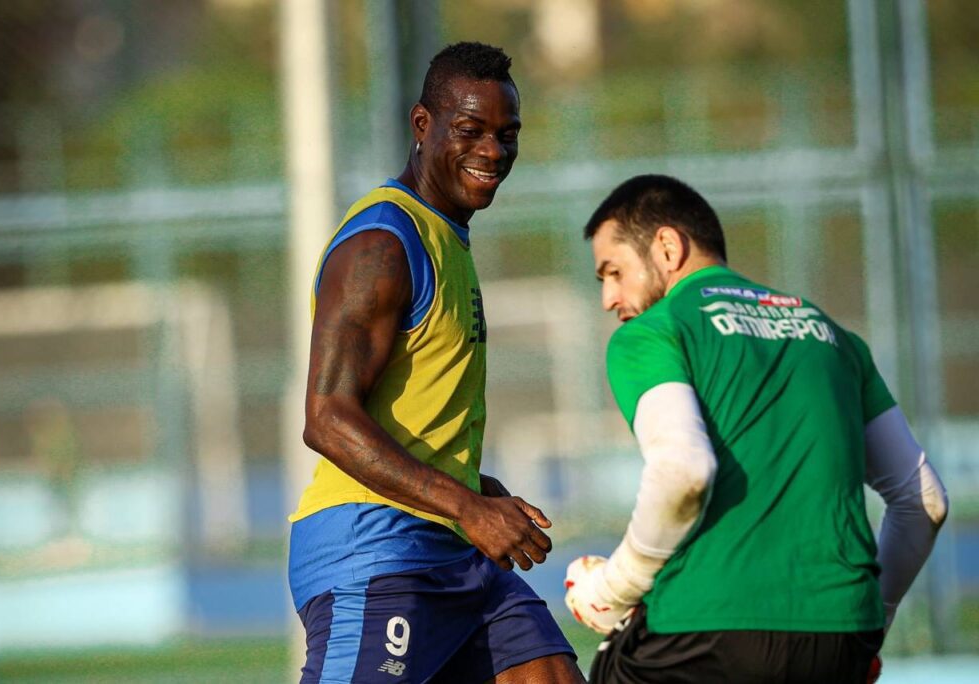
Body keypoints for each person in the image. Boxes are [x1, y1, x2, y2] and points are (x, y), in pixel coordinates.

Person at [564, 174, 949, 683]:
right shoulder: (834, 337)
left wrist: (612, 591)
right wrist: (868, 626)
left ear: (667, 246)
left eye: (614, 271)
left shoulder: (655, 332)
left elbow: (684, 473)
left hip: (704, 631)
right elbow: (925, 501)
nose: (609, 298)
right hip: (838, 639)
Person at [288, 42, 584, 684]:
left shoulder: (447, 236)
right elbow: (326, 417)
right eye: (471, 131)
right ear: (423, 126)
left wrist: (473, 489)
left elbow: (407, 412)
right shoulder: (381, 243)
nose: (493, 152)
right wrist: (468, 506)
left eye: (508, 135)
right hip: (377, 549)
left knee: (551, 673)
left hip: (453, 547)